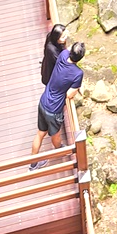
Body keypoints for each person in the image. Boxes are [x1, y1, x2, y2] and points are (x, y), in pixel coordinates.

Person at [30, 41, 85, 169]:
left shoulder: (63, 54)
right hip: (54, 110)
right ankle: (59, 149)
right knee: (56, 135)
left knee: (40, 133)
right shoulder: (78, 73)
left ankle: (33, 164)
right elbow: (69, 94)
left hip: (44, 100)